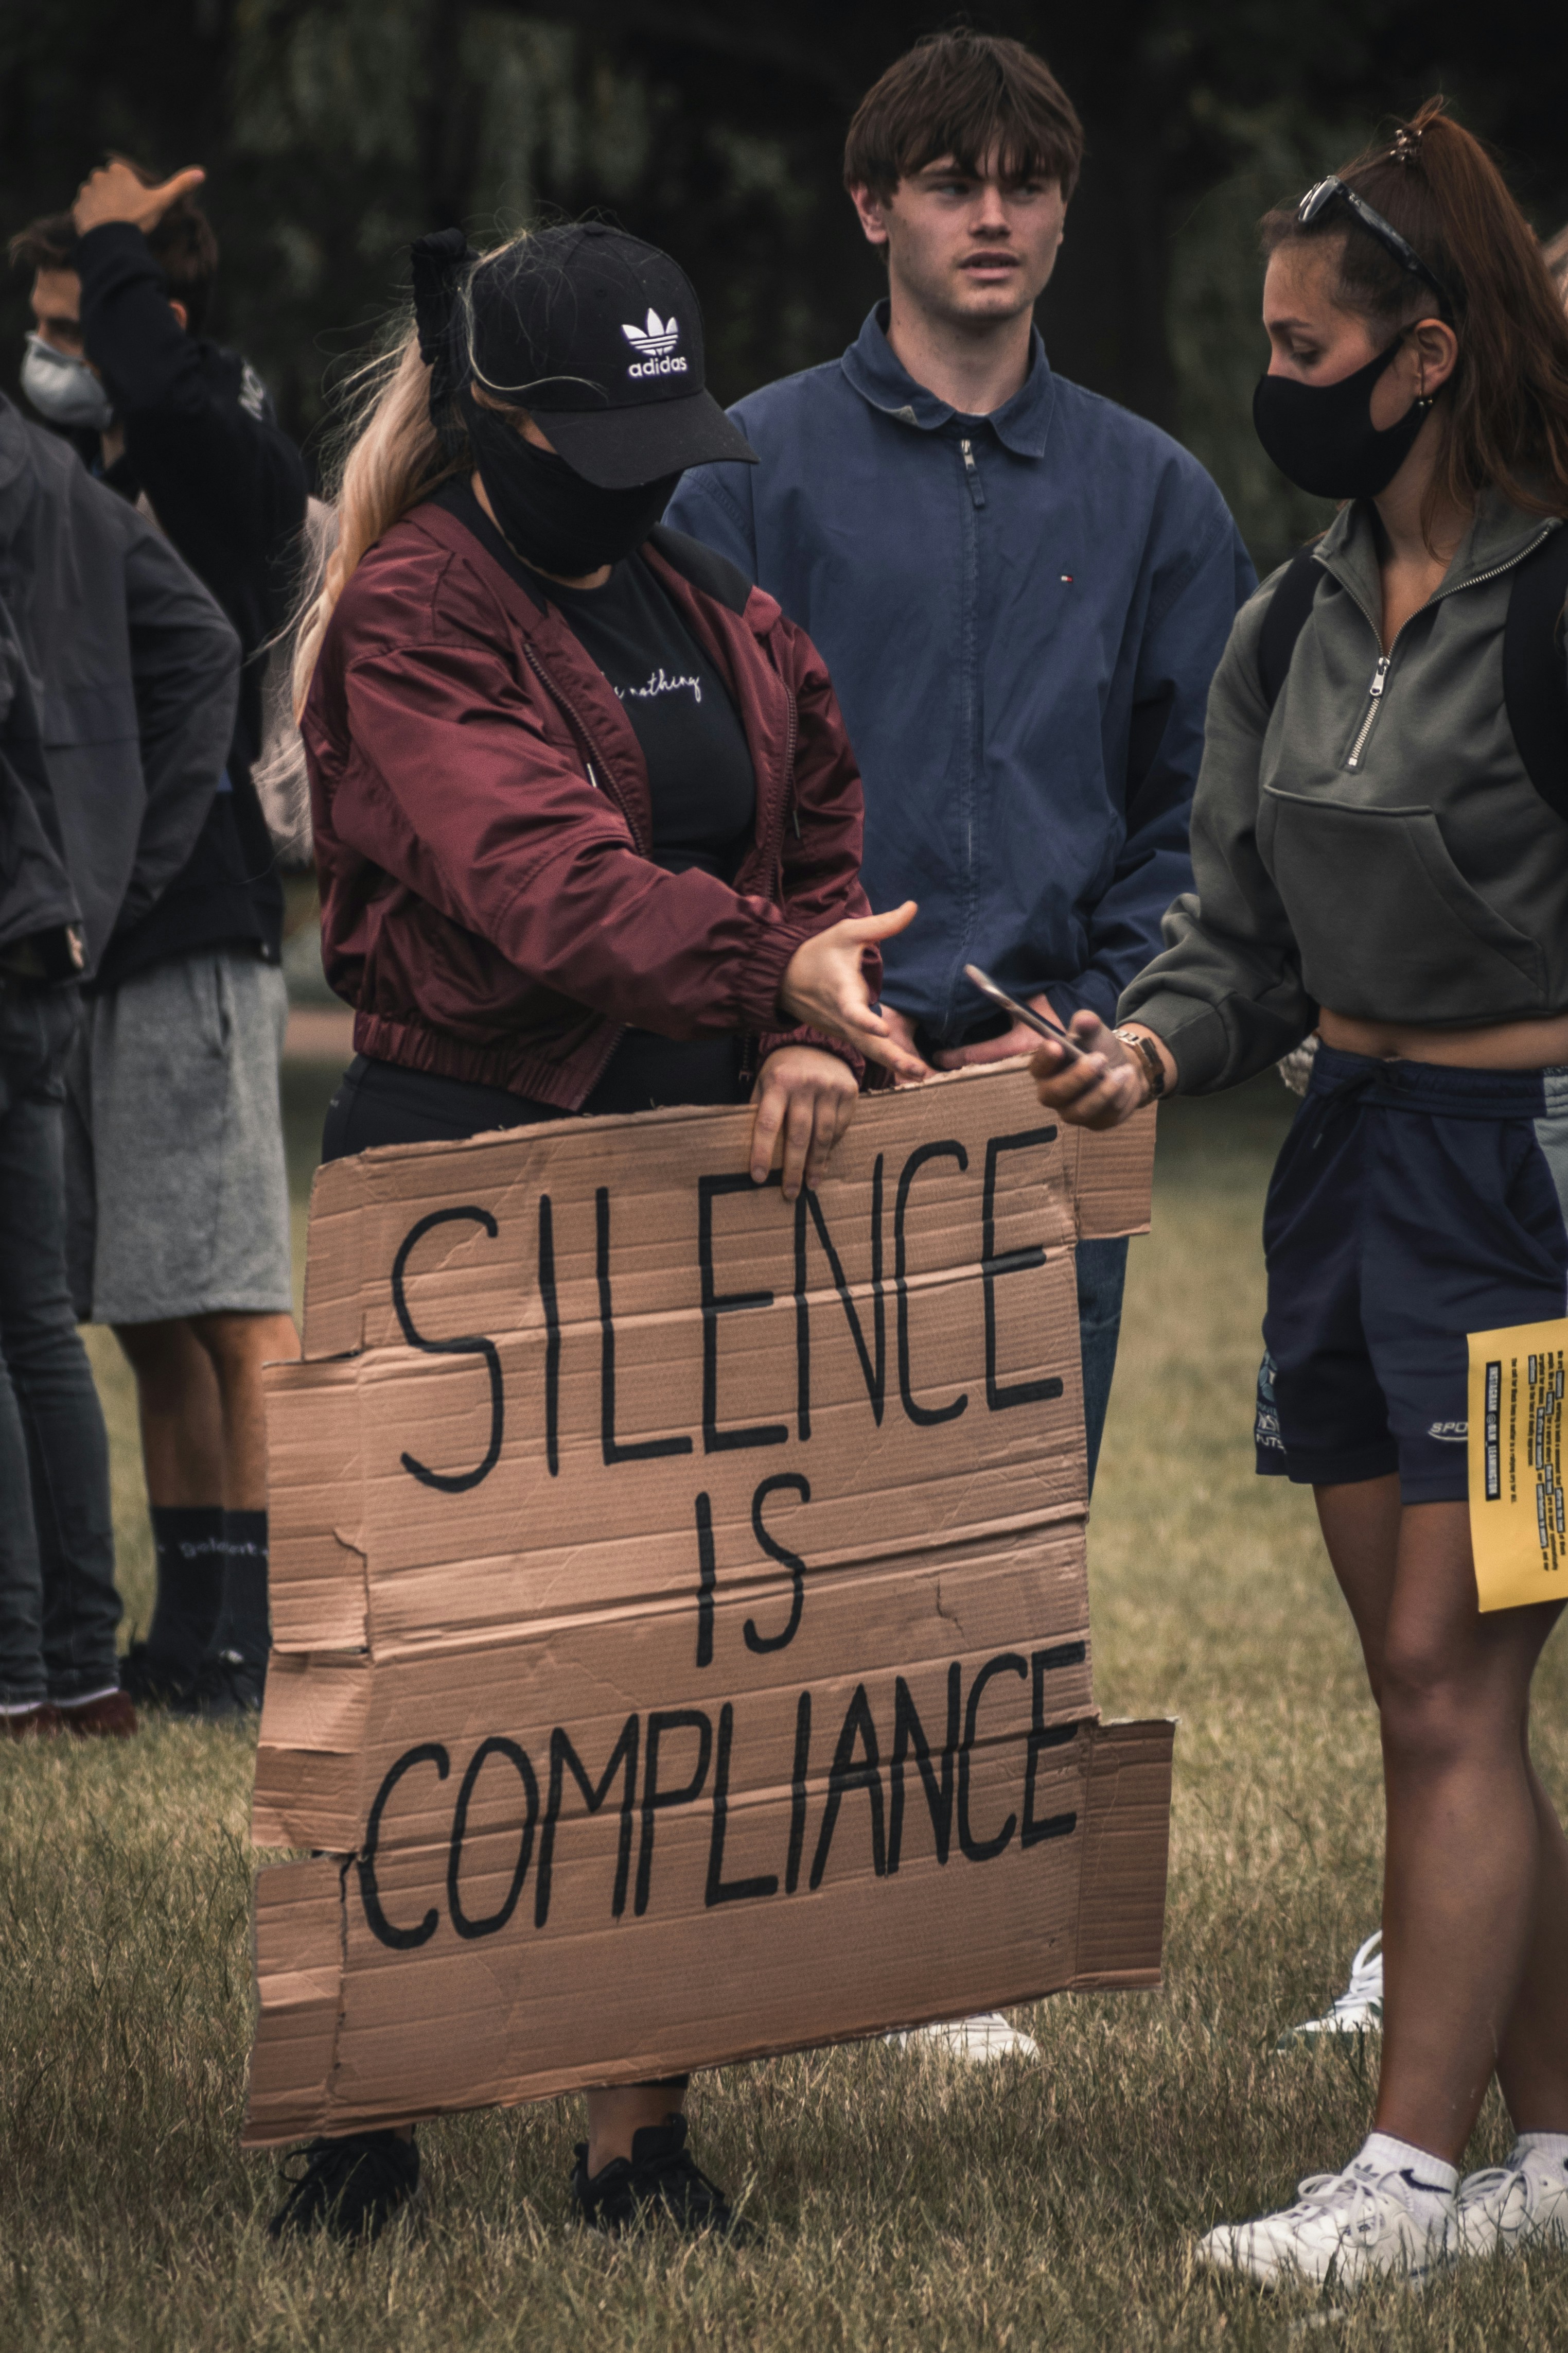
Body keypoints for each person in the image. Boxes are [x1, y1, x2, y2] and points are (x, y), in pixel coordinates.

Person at [268, 220, 925, 2245]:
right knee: (419, 1669)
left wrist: (802, 1019)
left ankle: (633, 2145)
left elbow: (813, 796)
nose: (646, 462)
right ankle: (365, 2109)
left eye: (669, 423)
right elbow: (540, 880)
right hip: (458, 1168)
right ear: (504, 420)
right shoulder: (409, 618)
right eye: (605, 424)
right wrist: (773, 981)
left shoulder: (706, 593)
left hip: (686, 1171)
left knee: (671, 1667)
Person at [665, 22, 1253, 2065]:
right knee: (787, 1524)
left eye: (1024, 181)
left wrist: (1131, 1007)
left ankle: (942, 1961)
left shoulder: (1159, 493)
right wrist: (778, 994)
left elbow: (1204, 805)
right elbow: (692, 789)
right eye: (950, 180)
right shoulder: (748, 468)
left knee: (1010, 1534)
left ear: (1064, 208)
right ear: (875, 209)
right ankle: (776, 1921)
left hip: (1049, 1086)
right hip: (814, 1077)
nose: (991, 213)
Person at [1030, 99, 1568, 2285]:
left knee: (1459, 1681)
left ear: (1424, 354)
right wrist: (1146, 1042)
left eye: (1305, 346)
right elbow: (1230, 934)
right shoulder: (1294, 617)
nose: (1275, 383)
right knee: (1433, 1692)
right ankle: (1553, 2156)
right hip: (1346, 1172)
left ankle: (1407, 2182)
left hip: (1526, 1204)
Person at [11, 158, 310, 1716]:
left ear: (151, 324)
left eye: (78, 321)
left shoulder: (215, 456)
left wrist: (119, 245)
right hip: (103, 935)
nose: (49, 352)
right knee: (150, 1308)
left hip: (199, 922)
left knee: (236, 1303)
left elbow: (174, 400)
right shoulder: (85, 475)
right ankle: (192, 1628)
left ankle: (257, 1635)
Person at [0, 387, 240, 1737]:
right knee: (35, 1325)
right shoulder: (51, 470)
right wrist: (109, 877)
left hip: (25, 928)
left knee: (18, 1328)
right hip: (46, 943)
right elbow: (204, 640)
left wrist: (118, 873)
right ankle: (80, 1672)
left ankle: (24, 1677)